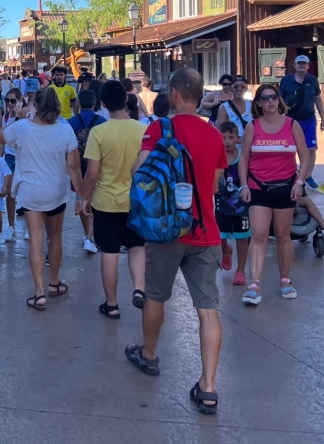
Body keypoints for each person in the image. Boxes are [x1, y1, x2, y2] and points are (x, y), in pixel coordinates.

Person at [124, 69, 224, 415]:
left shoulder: (158, 128)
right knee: (207, 308)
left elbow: (140, 171)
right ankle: (208, 387)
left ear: (177, 94)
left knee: (155, 294)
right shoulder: (213, 134)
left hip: (167, 230)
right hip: (205, 231)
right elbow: (212, 187)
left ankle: (149, 354)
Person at [0, 87, 82, 310]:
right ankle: (54, 283)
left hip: (30, 191)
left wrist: (17, 117)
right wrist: (82, 194)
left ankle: (39, 293)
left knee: (35, 239)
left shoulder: (22, 127)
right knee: (54, 238)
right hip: (56, 191)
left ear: (36, 105)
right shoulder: (65, 131)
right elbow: (73, 165)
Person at [237, 83, 309, 305]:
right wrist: (244, 185)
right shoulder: (252, 126)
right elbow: (244, 159)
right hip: (258, 186)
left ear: (279, 100)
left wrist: (300, 182)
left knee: (283, 235)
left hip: (285, 187)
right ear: (258, 103)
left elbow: (305, 157)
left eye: (274, 97)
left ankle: (285, 280)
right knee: (258, 236)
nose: (270, 101)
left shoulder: (292, 125)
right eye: (265, 98)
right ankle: (254, 285)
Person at [80, 80, 147, 318]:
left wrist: (84, 198)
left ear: (103, 103)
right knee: (136, 247)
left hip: (106, 202)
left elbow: (93, 173)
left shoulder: (99, 132)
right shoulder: (142, 130)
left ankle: (112, 304)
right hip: (136, 201)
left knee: (109, 252)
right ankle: (139, 288)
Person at [279, 56, 324, 191]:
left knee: (311, 149)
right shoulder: (286, 80)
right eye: (299, 63)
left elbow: (318, 99)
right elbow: (280, 97)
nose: (302, 66)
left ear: (308, 65)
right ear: (295, 65)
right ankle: (291, 174)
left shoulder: (313, 80)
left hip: (309, 118)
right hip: (291, 119)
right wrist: (282, 110)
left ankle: (308, 175)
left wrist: (322, 118)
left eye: (304, 63)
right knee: (290, 148)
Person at [216, 121, 250, 286]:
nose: (227, 141)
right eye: (223, 138)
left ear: (238, 138)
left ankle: (241, 270)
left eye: (231, 137)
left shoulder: (243, 156)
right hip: (220, 205)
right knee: (220, 237)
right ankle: (225, 251)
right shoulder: (215, 155)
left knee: (242, 238)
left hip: (241, 207)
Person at [68, 89, 102, 253]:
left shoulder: (72, 122)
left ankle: (86, 233)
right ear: (95, 103)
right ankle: (91, 235)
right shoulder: (102, 121)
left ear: (79, 103)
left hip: (78, 168)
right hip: (97, 167)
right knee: (95, 200)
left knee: (82, 198)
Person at [0, 88, 26, 241]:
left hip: (24, 156)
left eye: (13, 101)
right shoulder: (5, 116)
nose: (10, 104)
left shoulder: (24, 114)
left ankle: (30, 226)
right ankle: (11, 226)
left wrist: (17, 116)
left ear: (20, 101)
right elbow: (4, 138)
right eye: (7, 101)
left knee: (27, 191)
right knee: (10, 192)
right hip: (10, 156)